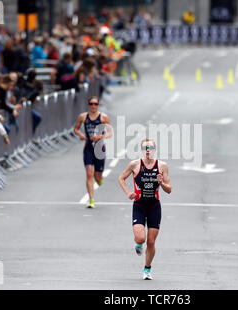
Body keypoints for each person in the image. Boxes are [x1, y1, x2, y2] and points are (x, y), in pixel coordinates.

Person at [118, 138, 172, 280]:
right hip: (139, 205)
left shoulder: (162, 166)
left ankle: (147, 269)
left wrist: (162, 183)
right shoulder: (135, 165)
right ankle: (138, 243)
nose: (148, 150)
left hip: (154, 206)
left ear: (154, 150)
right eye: (145, 147)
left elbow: (169, 189)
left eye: (150, 147)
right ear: (142, 150)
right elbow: (121, 178)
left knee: (152, 242)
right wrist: (128, 192)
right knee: (141, 238)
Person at [73, 96, 112, 209]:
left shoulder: (103, 117)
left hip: (99, 149)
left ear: (98, 105)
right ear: (88, 105)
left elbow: (110, 132)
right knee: (89, 174)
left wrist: (100, 136)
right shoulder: (83, 117)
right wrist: (81, 135)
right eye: (91, 104)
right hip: (88, 148)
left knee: (97, 177)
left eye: (95, 104)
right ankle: (91, 199)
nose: (93, 106)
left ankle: (99, 179)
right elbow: (76, 129)